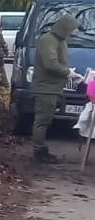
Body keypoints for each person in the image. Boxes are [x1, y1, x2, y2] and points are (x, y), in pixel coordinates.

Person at [31, 12, 77, 164]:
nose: (74, 33)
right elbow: (51, 64)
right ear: (65, 27)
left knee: (46, 119)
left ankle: (41, 149)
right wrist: (68, 72)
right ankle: (39, 151)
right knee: (42, 120)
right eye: (72, 29)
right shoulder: (48, 40)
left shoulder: (59, 40)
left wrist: (69, 72)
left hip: (52, 87)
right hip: (45, 87)